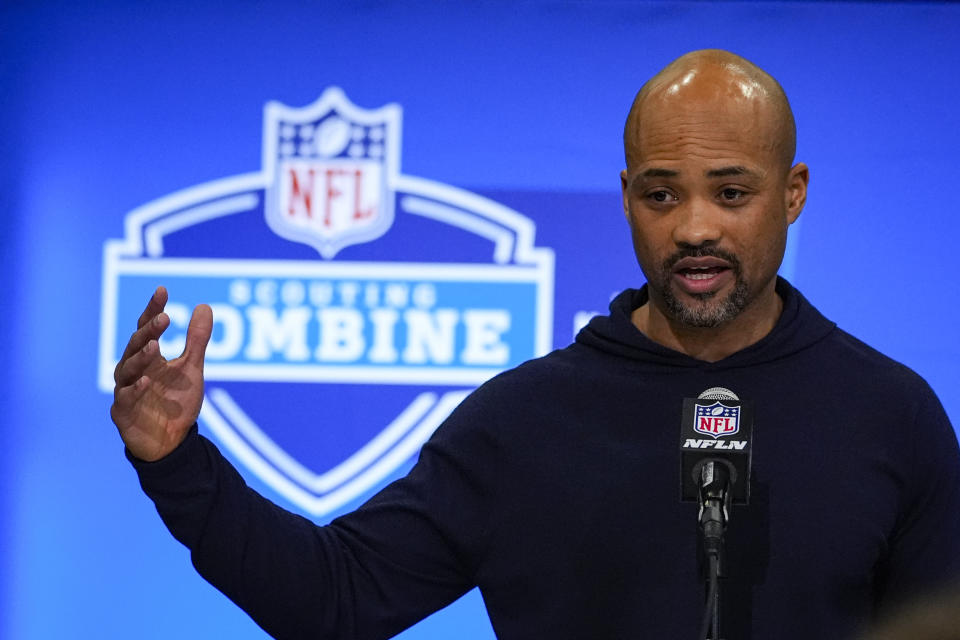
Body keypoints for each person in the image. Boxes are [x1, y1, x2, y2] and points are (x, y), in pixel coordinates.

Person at [111, 49, 960, 639]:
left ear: (794, 193)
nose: (695, 228)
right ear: (627, 197)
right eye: (662, 196)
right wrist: (179, 463)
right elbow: (333, 600)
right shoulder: (524, 421)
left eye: (731, 192)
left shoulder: (892, 417)